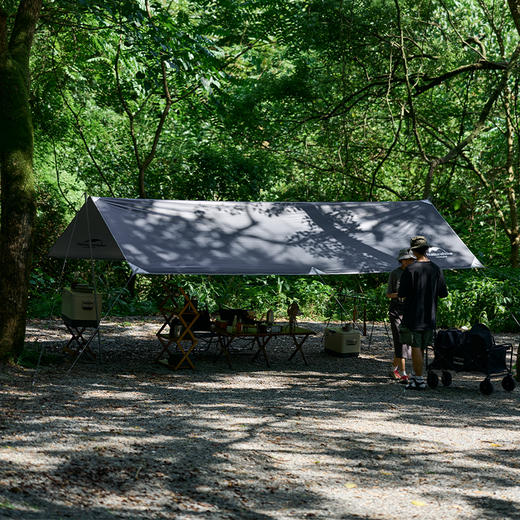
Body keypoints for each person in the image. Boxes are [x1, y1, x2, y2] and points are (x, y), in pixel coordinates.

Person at [398, 236, 448, 390]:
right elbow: (443, 293)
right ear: (427, 249)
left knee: (416, 347)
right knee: (424, 346)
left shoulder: (410, 269)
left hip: (413, 315)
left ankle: (419, 379)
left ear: (413, 251)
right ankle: (419, 376)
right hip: (430, 315)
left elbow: (402, 293)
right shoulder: (436, 268)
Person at [386, 249, 415, 383]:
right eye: (407, 259)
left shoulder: (415, 273)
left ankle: (394, 369)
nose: (409, 261)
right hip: (396, 309)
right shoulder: (395, 274)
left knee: (407, 340)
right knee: (400, 340)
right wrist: (402, 294)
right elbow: (389, 294)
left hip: (410, 310)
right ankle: (403, 373)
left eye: (411, 259)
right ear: (402, 260)